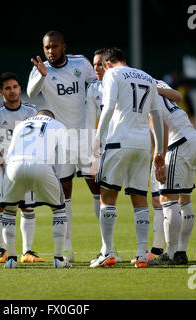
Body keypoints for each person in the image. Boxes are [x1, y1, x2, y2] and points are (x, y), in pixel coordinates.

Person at [91, 47, 166, 268]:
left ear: (106, 64)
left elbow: (110, 106)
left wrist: (97, 137)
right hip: (142, 144)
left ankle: (108, 251)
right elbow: (156, 115)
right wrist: (159, 150)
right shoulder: (147, 77)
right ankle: (142, 255)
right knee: (139, 198)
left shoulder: (112, 74)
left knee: (108, 196)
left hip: (118, 141)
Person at [27, 30, 97, 262]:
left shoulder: (81, 63)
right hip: (61, 141)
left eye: (54, 46)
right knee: (64, 193)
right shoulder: (40, 70)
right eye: (47, 47)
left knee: (97, 189)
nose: (50, 51)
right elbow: (30, 92)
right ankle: (67, 247)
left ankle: (107, 247)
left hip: (85, 137)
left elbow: (96, 88)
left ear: (64, 46)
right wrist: (41, 75)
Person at [0, 72, 45, 264]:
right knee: (0, 207)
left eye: (15, 87)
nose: (12, 91)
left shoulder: (31, 111)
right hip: (2, 168)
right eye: (8, 88)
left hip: (26, 166)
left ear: (20, 88)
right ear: (2, 91)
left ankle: (27, 251)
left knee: (28, 208)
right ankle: (2, 249)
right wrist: (2, 165)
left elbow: (39, 138)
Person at [1, 109, 72, 269]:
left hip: (14, 165)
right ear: (51, 117)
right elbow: (61, 157)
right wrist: (56, 180)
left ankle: (11, 259)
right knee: (59, 209)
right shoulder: (58, 125)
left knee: (9, 211)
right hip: (40, 164)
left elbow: (9, 153)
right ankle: (59, 259)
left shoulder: (21, 125)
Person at [148, 80, 196, 266]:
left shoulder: (138, 90)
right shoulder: (158, 83)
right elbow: (178, 96)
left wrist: (159, 157)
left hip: (177, 143)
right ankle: (181, 252)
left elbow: (160, 125)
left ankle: (170, 253)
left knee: (167, 198)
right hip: (193, 139)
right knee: (184, 200)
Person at [85, 48, 122, 264]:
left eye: (100, 64)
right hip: (104, 146)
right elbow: (91, 120)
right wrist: (92, 149)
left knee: (140, 195)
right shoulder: (93, 89)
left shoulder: (121, 82)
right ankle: (107, 247)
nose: (97, 68)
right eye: (94, 64)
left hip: (125, 143)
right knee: (101, 196)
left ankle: (148, 249)